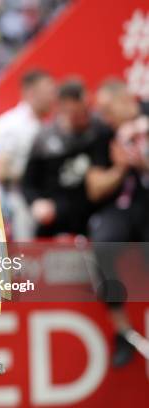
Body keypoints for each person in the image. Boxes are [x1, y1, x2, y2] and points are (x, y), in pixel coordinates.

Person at [86, 79, 149, 367]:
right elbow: (95, 186)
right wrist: (121, 166)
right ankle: (123, 331)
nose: (105, 118)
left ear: (126, 100)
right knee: (102, 243)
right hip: (122, 206)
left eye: (109, 111)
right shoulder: (103, 133)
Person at [22, 80, 98, 237]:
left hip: (90, 214)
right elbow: (29, 183)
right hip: (53, 215)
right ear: (63, 107)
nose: (83, 117)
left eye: (85, 111)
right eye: (76, 113)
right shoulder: (45, 138)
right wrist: (36, 203)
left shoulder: (97, 132)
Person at [0, 69, 56, 239]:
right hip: (15, 198)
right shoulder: (11, 126)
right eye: (48, 91)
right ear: (31, 93)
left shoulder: (44, 124)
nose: (53, 97)